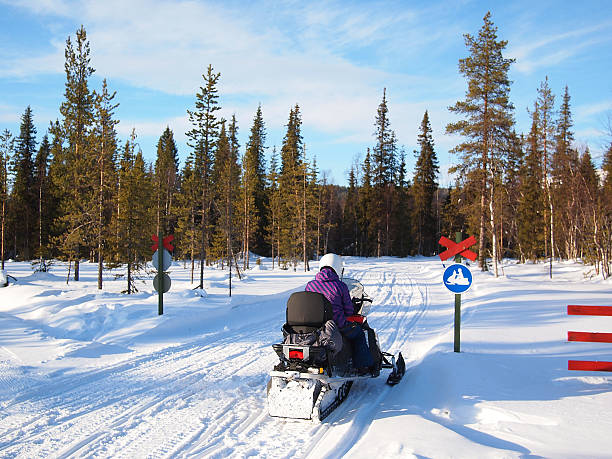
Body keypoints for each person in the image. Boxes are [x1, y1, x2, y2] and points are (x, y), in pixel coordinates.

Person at [305, 253, 374, 374]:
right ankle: (362, 366)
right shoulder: (340, 286)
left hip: (315, 327)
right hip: (338, 326)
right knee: (358, 334)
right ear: (338, 268)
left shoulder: (311, 285)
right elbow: (349, 311)